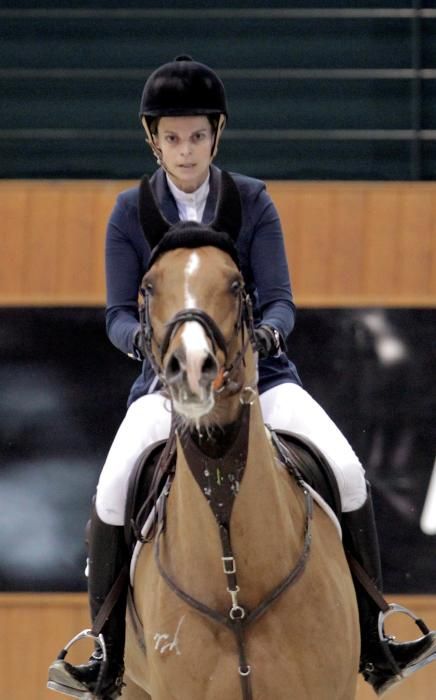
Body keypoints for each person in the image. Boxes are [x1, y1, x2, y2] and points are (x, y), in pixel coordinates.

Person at [48, 56, 436, 699]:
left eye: (197, 136)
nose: (185, 150)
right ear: (154, 140)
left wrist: (265, 335)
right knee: (113, 487)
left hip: (264, 380)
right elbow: (118, 314)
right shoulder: (130, 213)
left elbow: (280, 298)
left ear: (216, 134)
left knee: (345, 469)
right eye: (172, 137)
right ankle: (106, 652)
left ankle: (375, 633)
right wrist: (146, 342)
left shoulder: (251, 200)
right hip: (163, 388)